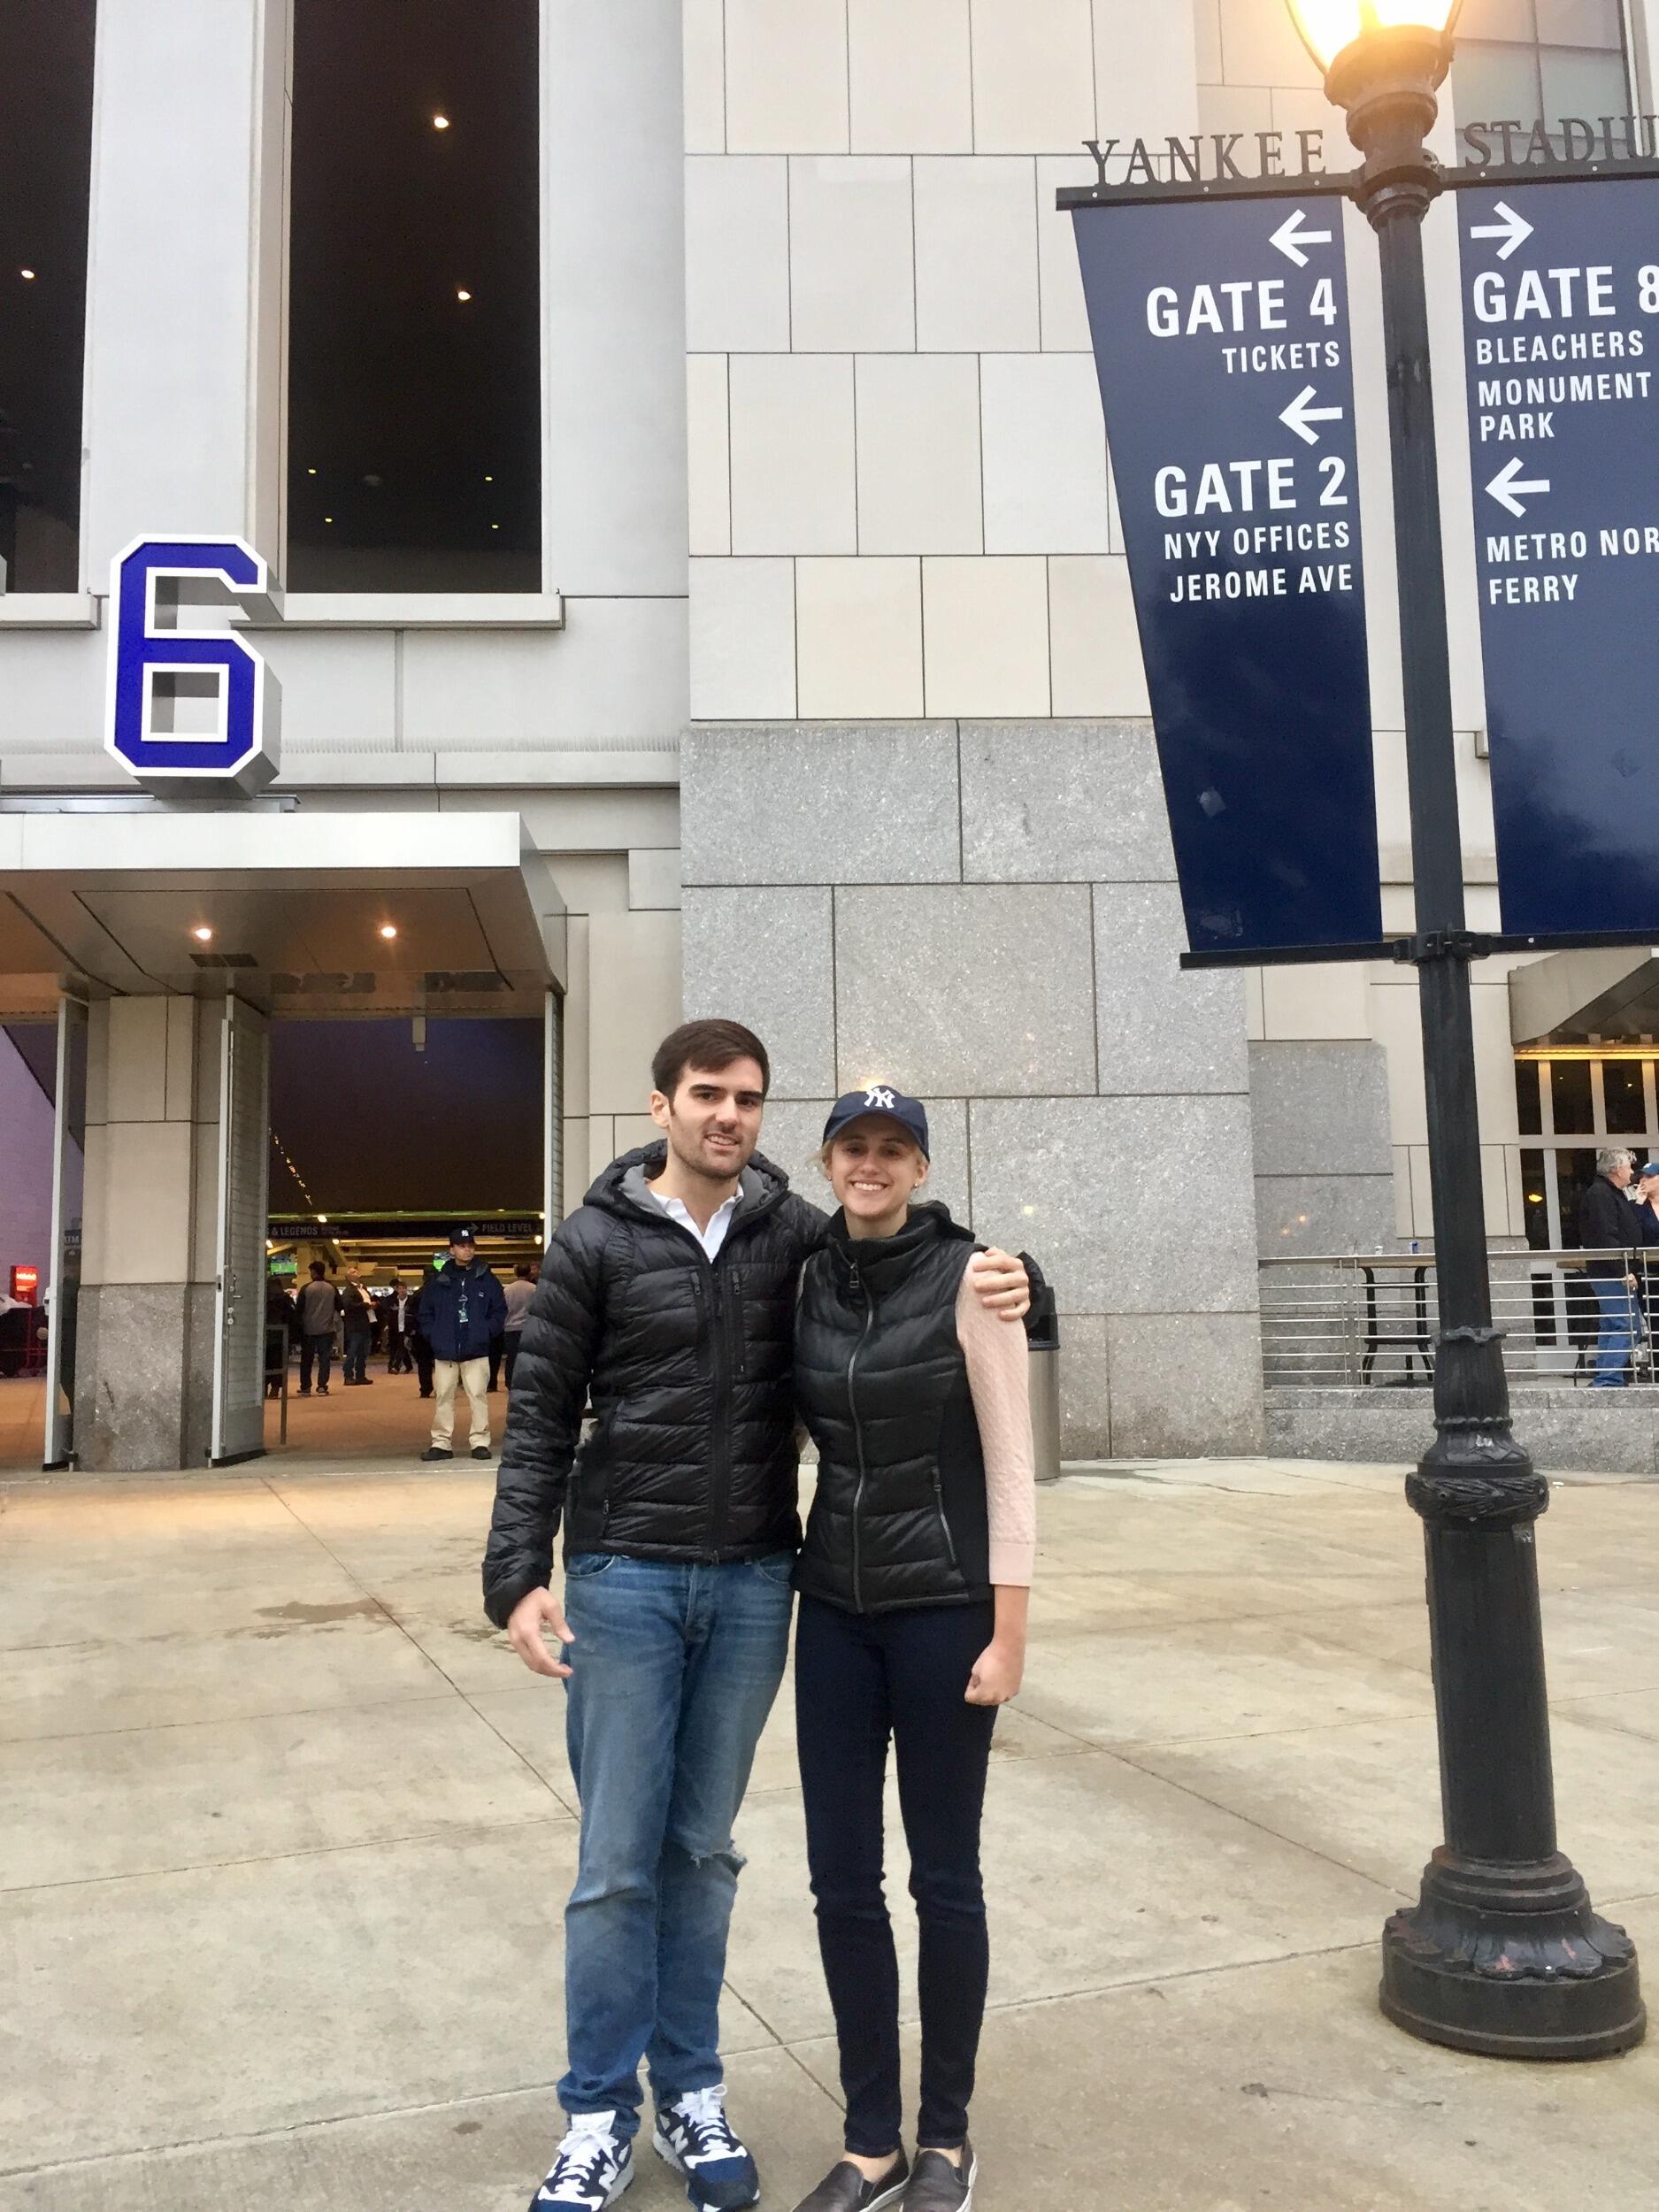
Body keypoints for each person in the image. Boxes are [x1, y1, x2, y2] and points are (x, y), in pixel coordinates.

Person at [481, 1021, 1029, 2212]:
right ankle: (594, 2114)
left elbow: (917, 1267)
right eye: (704, 1095)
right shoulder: (591, 1243)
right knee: (616, 1866)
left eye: (746, 1098)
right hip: (623, 1575)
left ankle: (689, 2088)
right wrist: (517, 1568)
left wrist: (1027, 1287)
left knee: (702, 1854)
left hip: (749, 1583)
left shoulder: (792, 1237)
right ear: (659, 1105)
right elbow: (537, 1417)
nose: (726, 1114)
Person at [788, 1089, 1033, 2212]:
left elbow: (1011, 1466)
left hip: (943, 1610)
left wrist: (1011, 1629)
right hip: (834, 1609)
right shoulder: (806, 1276)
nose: (871, 1164)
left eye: (893, 1148)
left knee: (945, 1880)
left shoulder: (977, 1277)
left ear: (921, 1165)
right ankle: (872, 2139)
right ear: (829, 1162)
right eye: (854, 1147)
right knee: (842, 1881)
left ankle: (946, 2138)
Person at [419, 1227, 508, 1463]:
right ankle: (441, 1443)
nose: (467, 1249)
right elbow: (425, 1312)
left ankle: (480, 1442)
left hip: (476, 1349)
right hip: (445, 1350)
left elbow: (499, 1310)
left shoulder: (486, 1278)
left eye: (470, 1245)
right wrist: (434, 1335)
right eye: (461, 1245)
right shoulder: (438, 1281)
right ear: (452, 1249)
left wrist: (485, 1332)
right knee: (443, 1397)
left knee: (478, 1396)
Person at [1578, 1148, 1643, 1387]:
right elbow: (1605, 1235)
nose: (1632, 1172)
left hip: (1613, 1271)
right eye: (1629, 1166)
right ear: (1616, 1169)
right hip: (1612, 1272)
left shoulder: (1610, 1193)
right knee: (1627, 1325)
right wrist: (1622, 1270)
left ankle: (1606, 1377)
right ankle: (1607, 1379)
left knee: (1614, 1324)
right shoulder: (1601, 1194)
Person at [294, 1260, 340, 1396]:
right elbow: (339, 1306)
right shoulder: (332, 1288)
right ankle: (322, 1386)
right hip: (327, 1329)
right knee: (324, 1359)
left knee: (306, 1359)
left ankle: (305, 1386)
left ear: (313, 1272)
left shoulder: (306, 1288)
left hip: (309, 1329)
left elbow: (299, 1310)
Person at [502, 1261, 536, 1387]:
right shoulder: (534, 1289)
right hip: (528, 1328)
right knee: (528, 1357)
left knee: (511, 1358)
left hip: (510, 1328)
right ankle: (527, 1382)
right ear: (529, 1272)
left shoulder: (508, 1290)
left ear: (516, 1273)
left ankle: (509, 1382)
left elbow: (503, 1309)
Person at [340, 1264, 375, 1386]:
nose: (357, 1272)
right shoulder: (348, 1291)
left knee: (363, 1352)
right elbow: (348, 1306)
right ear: (348, 1277)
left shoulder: (363, 1288)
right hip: (355, 1325)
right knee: (352, 1351)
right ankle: (348, 1376)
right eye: (353, 1272)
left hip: (365, 1323)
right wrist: (365, 1305)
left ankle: (360, 1375)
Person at [265, 1274, 295, 1400]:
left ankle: (263, 1388)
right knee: (278, 1363)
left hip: (265, 1335)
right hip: (281, 1335)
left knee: (265, 1363)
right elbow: (292, 1316)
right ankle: (275, 1389)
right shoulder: (285, 1299)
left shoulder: (263, 1298)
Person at [411, 1263, 439, 1397]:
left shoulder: (417, 1294)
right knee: (442, 1363)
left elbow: (410, 1315)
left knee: (423, 1363)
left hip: (421, 1333)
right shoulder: (444, 1293)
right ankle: (443, 1388)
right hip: (440, 1332)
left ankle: (425, 1389)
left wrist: (409, 1333)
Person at [385, 1274, 417, 1374]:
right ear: (397, 1290)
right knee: (399, 1346)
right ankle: (408, 1365)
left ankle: (396, 1367)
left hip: (407, 1327)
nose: (402, 1290)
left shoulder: (412, 1301)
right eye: (400, 1288)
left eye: (404, 1288)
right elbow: (388, 1313)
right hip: (396, 1327)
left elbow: (415, 1315)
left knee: (402, 1346)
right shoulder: (393, 1301)